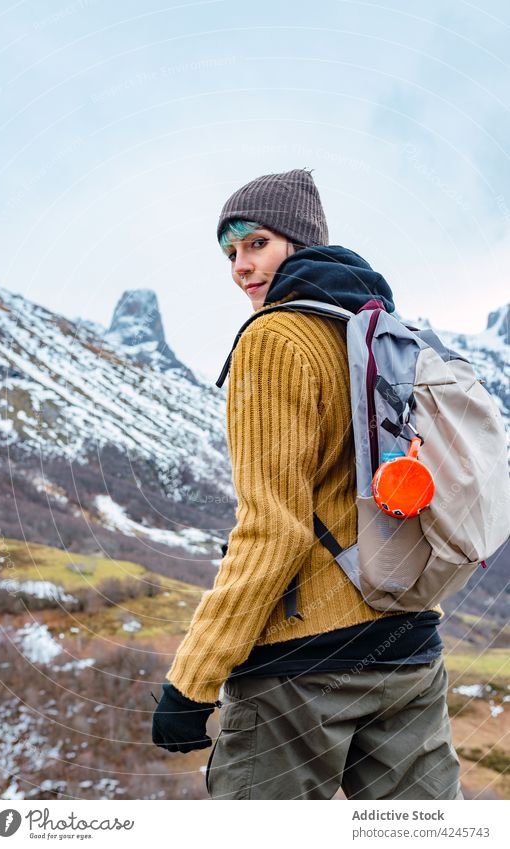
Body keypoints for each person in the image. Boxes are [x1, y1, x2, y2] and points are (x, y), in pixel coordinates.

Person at [152, 168, 463, 801]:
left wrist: (192, 681)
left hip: (300, 667)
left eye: (256, 243)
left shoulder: (275, 337)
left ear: (298, 241)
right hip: (407, 644)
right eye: (229, 252)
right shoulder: (376, 328)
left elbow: (274, 531)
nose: (240, 265)